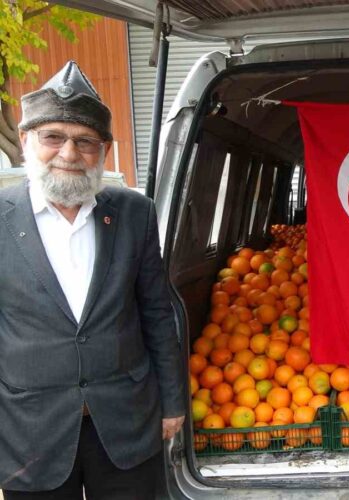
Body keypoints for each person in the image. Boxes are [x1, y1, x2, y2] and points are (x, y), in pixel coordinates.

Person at [0, 61, 185, 498]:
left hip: (126, 422)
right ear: (26, 141)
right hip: (30, 431)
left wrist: (173, 402)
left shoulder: (133, 211)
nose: (69, 153)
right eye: (53, 137)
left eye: (85, 141)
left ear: (103, 150)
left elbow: (156, 311)